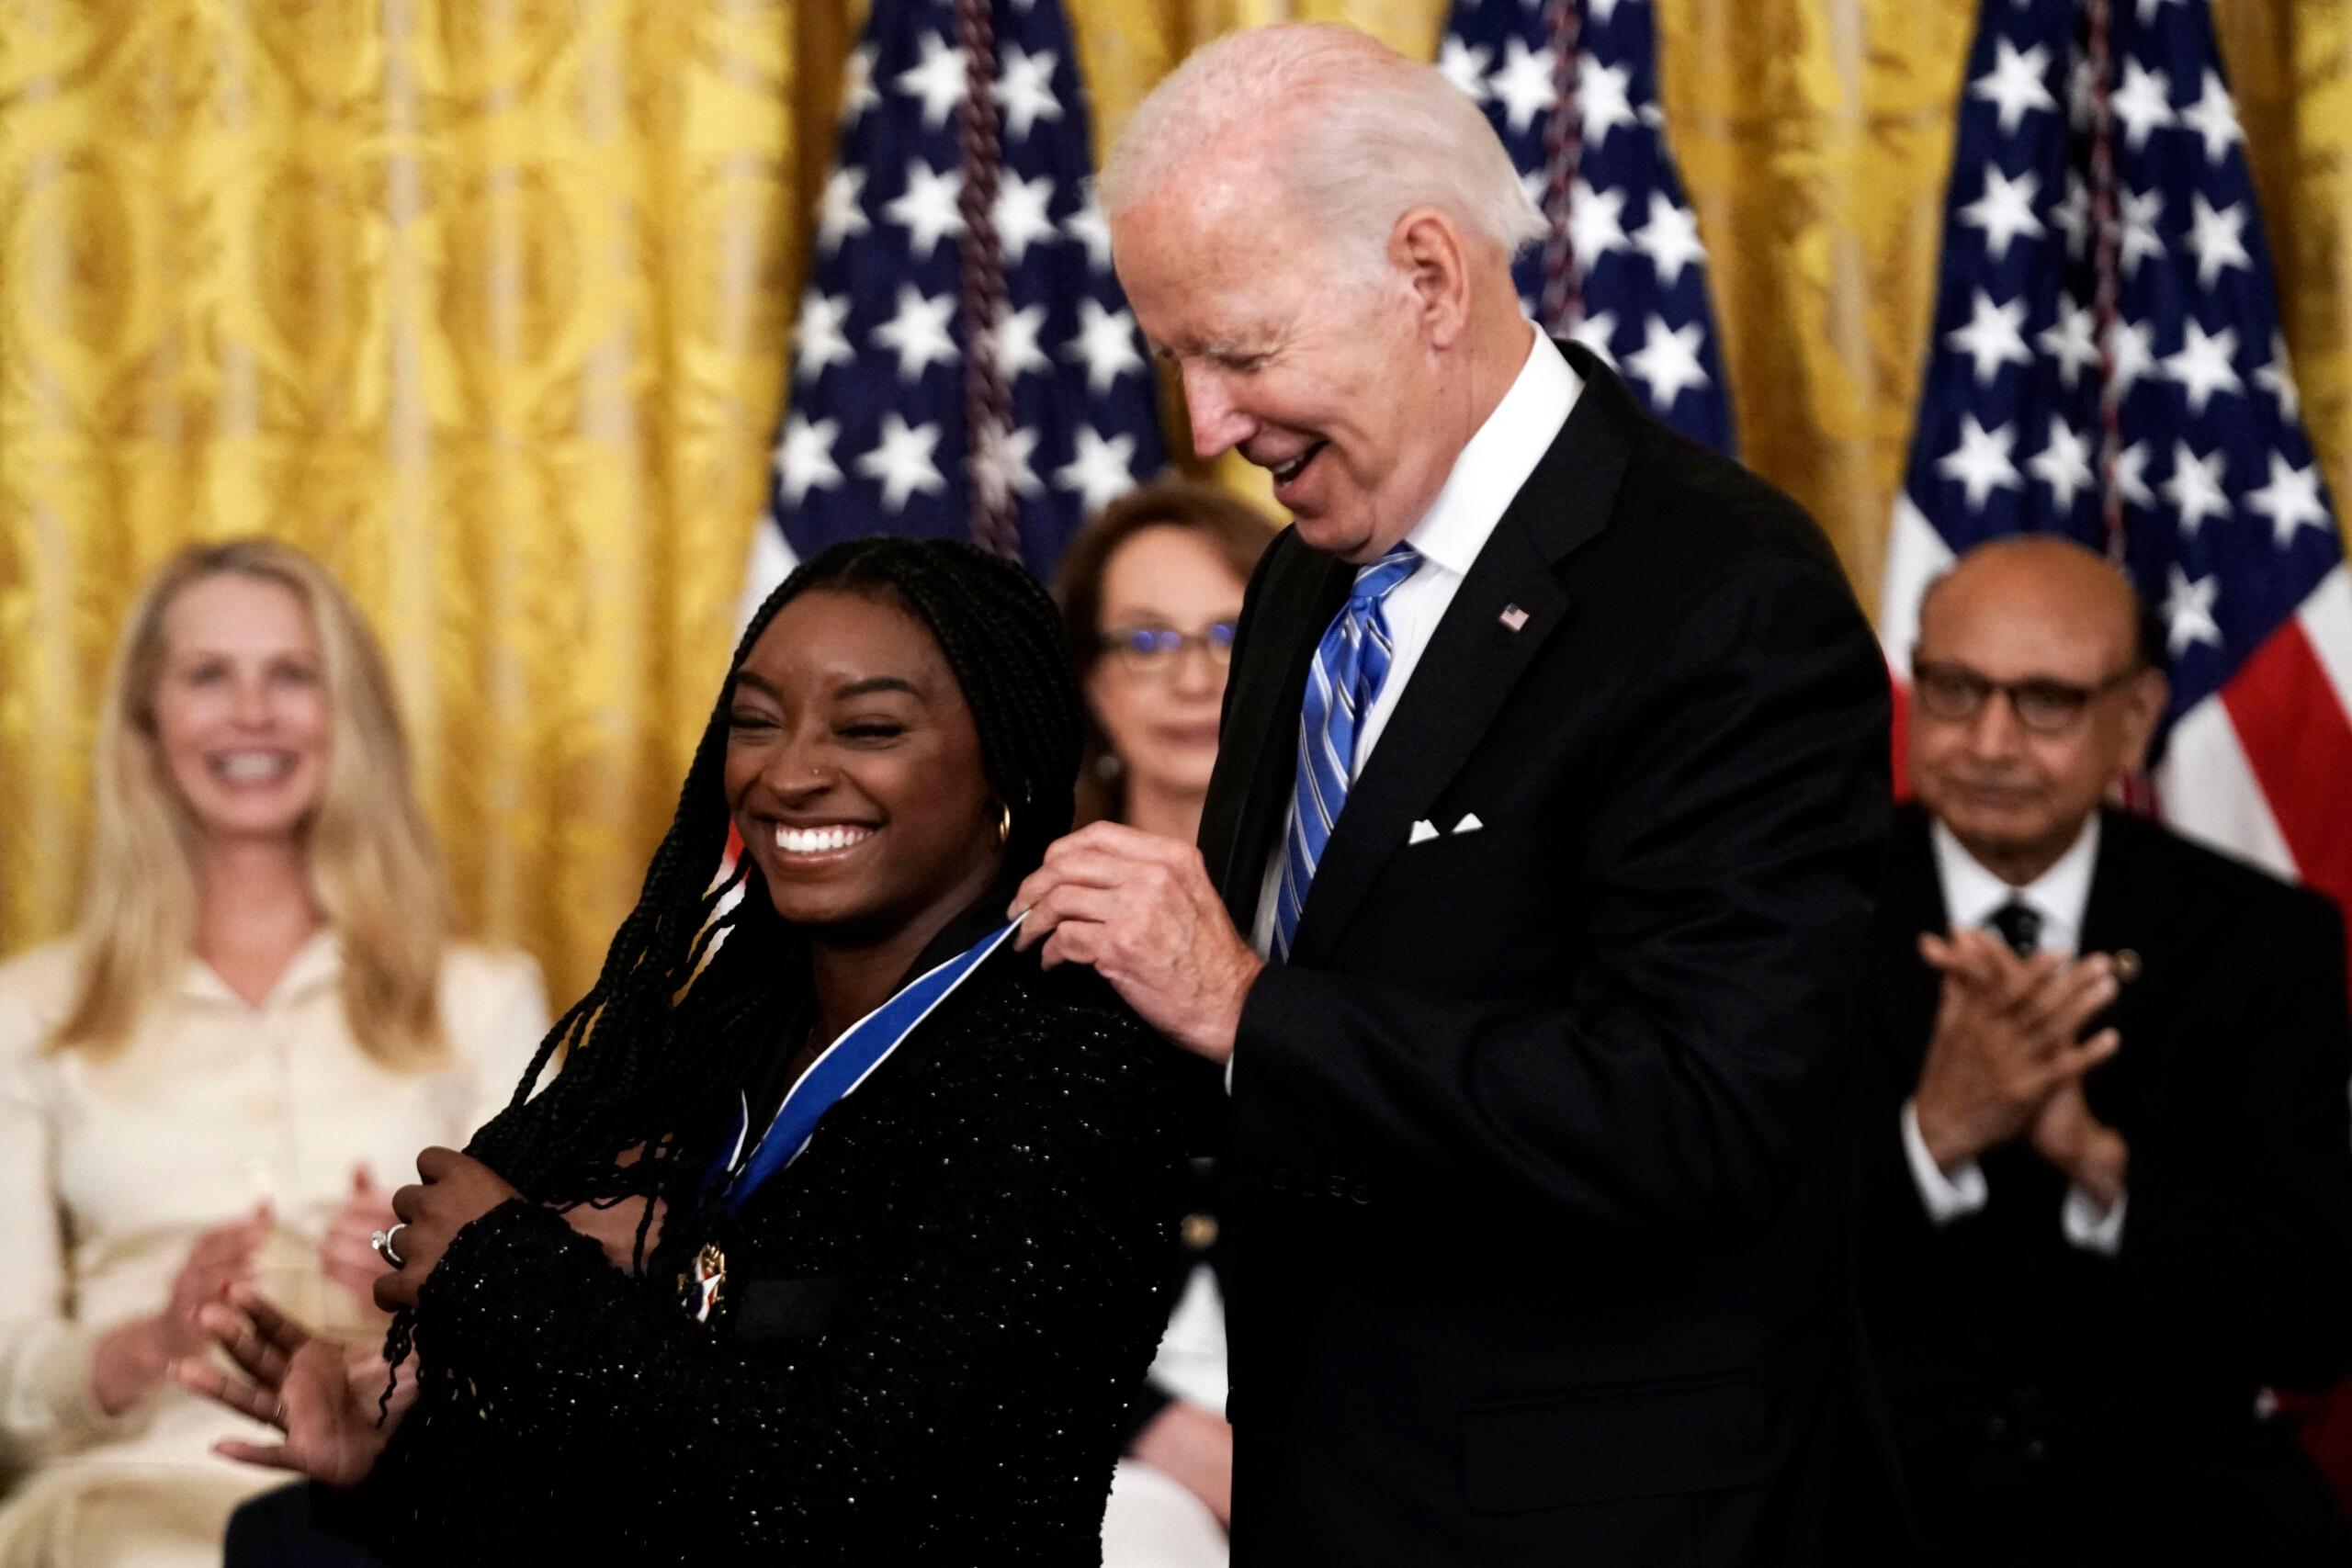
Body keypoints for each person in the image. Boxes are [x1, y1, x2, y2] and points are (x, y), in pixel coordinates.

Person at [1013, 23, 1906, 1566]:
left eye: (1241, 350)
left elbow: (1705, 1111)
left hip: (1603, 1524)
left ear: (1428, 276)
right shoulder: (1302, 583)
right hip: (1325, 1491)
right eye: (1181, 364)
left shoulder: (1718, 594)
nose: (1211, 428)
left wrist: (1249, 1008)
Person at [184, 536, 1192, 1565]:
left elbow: (835, 1495)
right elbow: (641, 1462)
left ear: (1006, 767)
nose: (790, 772)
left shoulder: (1072, 1068)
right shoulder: (719, 1037)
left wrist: (508, 1278)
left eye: (870, 727)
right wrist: (393, 1446)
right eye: (755, 721)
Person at [0, 539, 548, 1568]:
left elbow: (567, 1328)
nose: (252, 713)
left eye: (291, 675)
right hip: (133, 1499)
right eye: (209, 675)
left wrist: (431, 1292)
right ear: (146, 726)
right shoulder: (28, 1011)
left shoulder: (483, 997)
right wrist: (143, 1346)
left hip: (410, 1489)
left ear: (348, 718)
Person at [1855, 536, 2352, 1564]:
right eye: (1953, 690)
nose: (1989, 742)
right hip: (1870, 1505)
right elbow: (1721, 1284)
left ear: (2132, 721)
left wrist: (2094, 1160)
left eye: (2045, 703)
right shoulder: (1798, 913)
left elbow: (2311, 1325)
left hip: (2178, 1515)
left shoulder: (2261, 939)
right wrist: (1934, 1137)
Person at [1057, 482, 1273, 1563]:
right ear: (1092, 684)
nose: (1194, 676)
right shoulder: (1017, 939)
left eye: (1230, 632)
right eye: (1146, 640)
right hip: (1096, 1435)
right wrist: (1159, 1430)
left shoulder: (1373, 911)